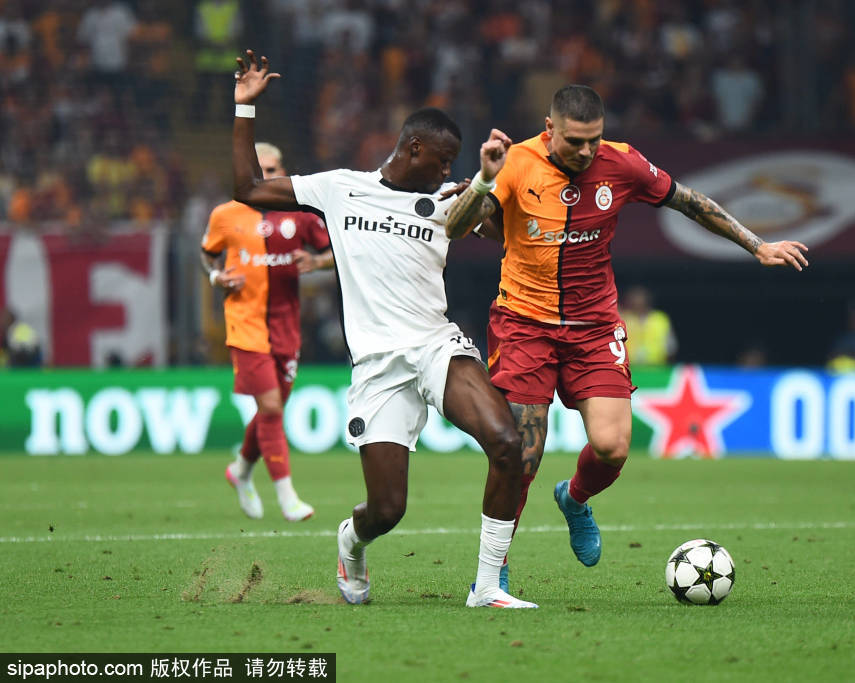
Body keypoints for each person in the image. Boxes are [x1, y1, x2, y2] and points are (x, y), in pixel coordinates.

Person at [445, 84, 808, 589]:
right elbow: (457, 228)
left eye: (594, 139)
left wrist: (757, 245)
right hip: (525, 323)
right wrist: (484, 178)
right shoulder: (516, 163)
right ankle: (495, 571)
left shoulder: (622, 163)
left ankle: (574, 499)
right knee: (522, 456)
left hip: (594, 327)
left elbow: (689, 201)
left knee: (613, 447)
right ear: (549, 130)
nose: (586, 151)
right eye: (575, 141)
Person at [230, 50, 536, 609]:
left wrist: (487, 183)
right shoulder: (340, 188)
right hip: (378, 365)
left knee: (506, 442)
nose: (445, 171)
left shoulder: (448, 200)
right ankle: (351, 542)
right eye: (442, 160)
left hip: (435, 344)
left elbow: (508, 235)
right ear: (413, 148)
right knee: (387, 510)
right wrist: (245, 108)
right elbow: (248, 189)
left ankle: (487, 586)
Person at [200, 140, 330, 523]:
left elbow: (335, 250)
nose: (265, 177)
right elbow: (207, 252)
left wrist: (318, 262)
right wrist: (216, 277)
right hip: (245, 325)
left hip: (286, 329)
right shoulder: (225, 214)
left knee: (270, 409)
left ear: (282, 172)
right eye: (258, 171)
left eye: (271, 171)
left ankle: (241, 470)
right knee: (271, 407)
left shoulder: (300, 215)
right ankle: (287, 497)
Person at [618, 285, 677, 367]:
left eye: (640, 298)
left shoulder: (660, 319)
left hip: (657, 368)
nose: (638, 302)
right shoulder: (623, 319)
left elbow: (671, 349)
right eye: (634, 298)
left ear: (647, 300)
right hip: (630, 368)